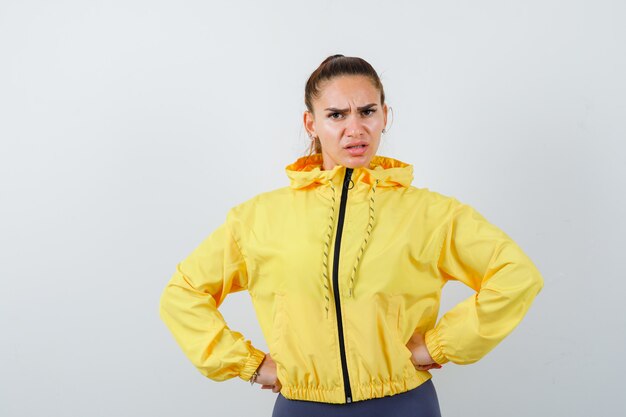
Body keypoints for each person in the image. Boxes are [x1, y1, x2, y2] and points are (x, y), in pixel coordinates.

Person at [159, 54, 544, 416]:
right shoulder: (258, 218)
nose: (354, 129)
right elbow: (184, 292)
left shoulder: (432, 214)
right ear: (311, 123)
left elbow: (515, 276)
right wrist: (251, 364)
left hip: (403, 405)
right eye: (336, 115)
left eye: (367, 111)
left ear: (384, 116)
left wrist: (439, 345)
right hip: (304, 407)